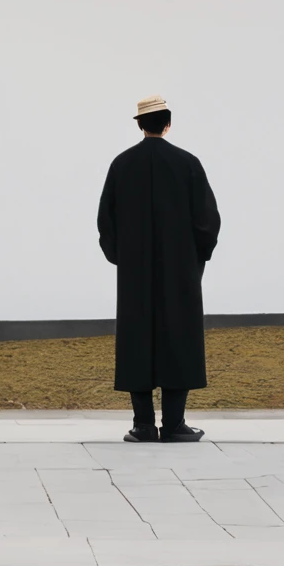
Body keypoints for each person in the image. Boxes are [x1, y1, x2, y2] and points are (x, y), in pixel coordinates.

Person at [97, 95, 221, 443]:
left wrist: (123, 258)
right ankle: (176, 424)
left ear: (139, 125)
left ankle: (143, 425)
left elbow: (106, 221)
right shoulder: (187, 164)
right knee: (178, 338)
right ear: (168, 123)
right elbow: (208, 222)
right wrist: (196, 259)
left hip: (135, 273)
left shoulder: (121, 165)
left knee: (138, 340)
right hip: (180, 272)